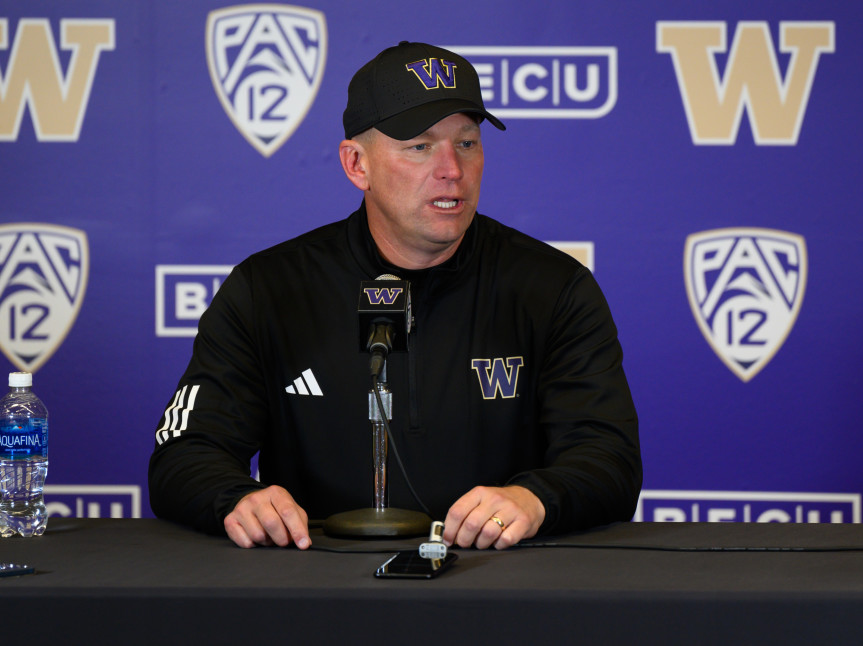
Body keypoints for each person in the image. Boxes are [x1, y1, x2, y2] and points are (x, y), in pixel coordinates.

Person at [149, 41, 641, 551]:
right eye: (420, 146)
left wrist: (536, 498)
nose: (452, 168)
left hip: (500, 588)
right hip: (316, 591)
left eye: (467, 143)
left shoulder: (553, 288)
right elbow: (185, 453)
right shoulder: (269, 289)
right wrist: (235, 498)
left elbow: (609, 458)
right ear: (357, 164)